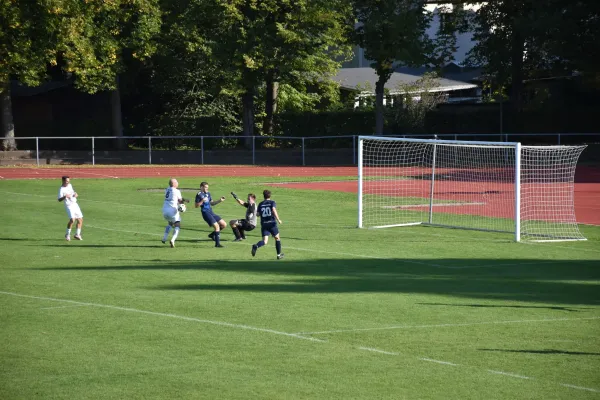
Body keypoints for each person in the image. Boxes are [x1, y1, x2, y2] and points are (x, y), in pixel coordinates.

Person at [251, 189, 284, 259]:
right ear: (270, 195)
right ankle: (278, 255)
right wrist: (278, 220)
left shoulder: (260, 204)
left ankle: (256, 246)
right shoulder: (272, 202)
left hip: (264, 224)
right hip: (272, 224)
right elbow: (274, 210)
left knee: (265, 241)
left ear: (264, 196)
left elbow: (257, 214)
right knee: (277, 238)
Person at [195, 181, 226, 248]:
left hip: (211, 212)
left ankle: (212, 235)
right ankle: (217, 244)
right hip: (205, 213)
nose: (207, 189)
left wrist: (220, 200)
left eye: (207, 188)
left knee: (223, 224)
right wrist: (202, 201)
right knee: (217, 226)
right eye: (206, 187)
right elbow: (196, 205)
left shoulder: (208, 193)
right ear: (201, 187)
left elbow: (212, 203)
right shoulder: (199, 195)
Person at [161, 178, 189, 248]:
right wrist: (184, 203)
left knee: (170, 223)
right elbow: (180, 201)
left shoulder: (167, 189)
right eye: (176, 182)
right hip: (172, 210)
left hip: (164, 211)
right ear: (173, 184)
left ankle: (164, 238)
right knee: (177, 224)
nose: (178, 183)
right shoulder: (177, 191)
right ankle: (173, 240)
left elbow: (173, 198)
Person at [57, 176, 84, 241]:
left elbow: (73, 192)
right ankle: (67, 234)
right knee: (72, 220)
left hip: (75, 204)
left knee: (80, 220)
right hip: (69, 206)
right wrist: (64, 196)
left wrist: (75, 194)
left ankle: (77, 234)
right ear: (63, 181)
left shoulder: (70, 185)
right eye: (66, 181)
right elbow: (59, 199)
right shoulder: (61, 189)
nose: (68, 182)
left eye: (68, 181)